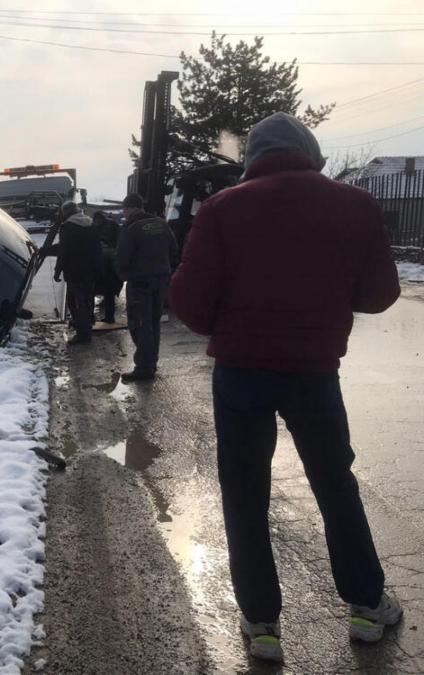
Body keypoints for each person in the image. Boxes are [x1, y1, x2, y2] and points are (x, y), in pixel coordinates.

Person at [168, 112, 402, 663]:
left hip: (241, 373)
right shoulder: (356, 205)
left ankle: (262, 622)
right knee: (334, 483)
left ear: (252, 159)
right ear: (311, 152)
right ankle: (368, 606)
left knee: (245, 492)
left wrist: (232, 324)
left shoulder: (223, 208)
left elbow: (188, 301)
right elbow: (379, 295)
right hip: (314, 373)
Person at [115, 193, 178, 381]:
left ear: (127, 208)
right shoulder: (161, 223)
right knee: (153, 322)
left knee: (140, 324)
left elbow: (122, 258)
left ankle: (143, 367)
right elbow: (174, 250)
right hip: (161, 281)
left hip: (140, 283)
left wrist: (124, 276)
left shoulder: (131, 227)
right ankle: (151, 362)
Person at [54, 201, 101, 345]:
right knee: (87, 298)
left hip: (75, 272)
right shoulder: (91, 224)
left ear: (66, 213)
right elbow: (97, 247)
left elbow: (63, 251)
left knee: (75, 302)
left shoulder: (67, 227)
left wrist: (57, 271)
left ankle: (83, 333)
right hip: (91, 270)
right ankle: (86, 323)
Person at [93, 211, 123, 323]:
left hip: (101, 273)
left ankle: (90, 319)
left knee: (91, 292)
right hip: (112, 274)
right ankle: (110, 318)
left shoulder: (97, 251)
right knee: (110, 295)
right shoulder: (111, 252)